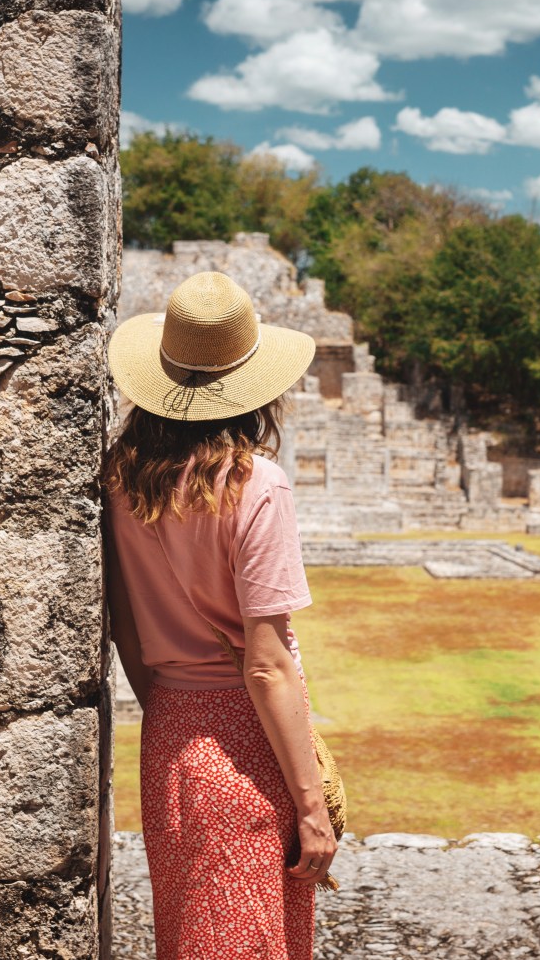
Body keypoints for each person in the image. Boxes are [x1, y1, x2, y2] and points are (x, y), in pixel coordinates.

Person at [103, 271, 334, 959]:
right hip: (246, 744)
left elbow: (129, 632)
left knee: (190, 936)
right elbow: (267, 665)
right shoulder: (256, 485)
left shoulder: (122, 478)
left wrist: (177, 709)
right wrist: (313, 803)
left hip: (170, 733)